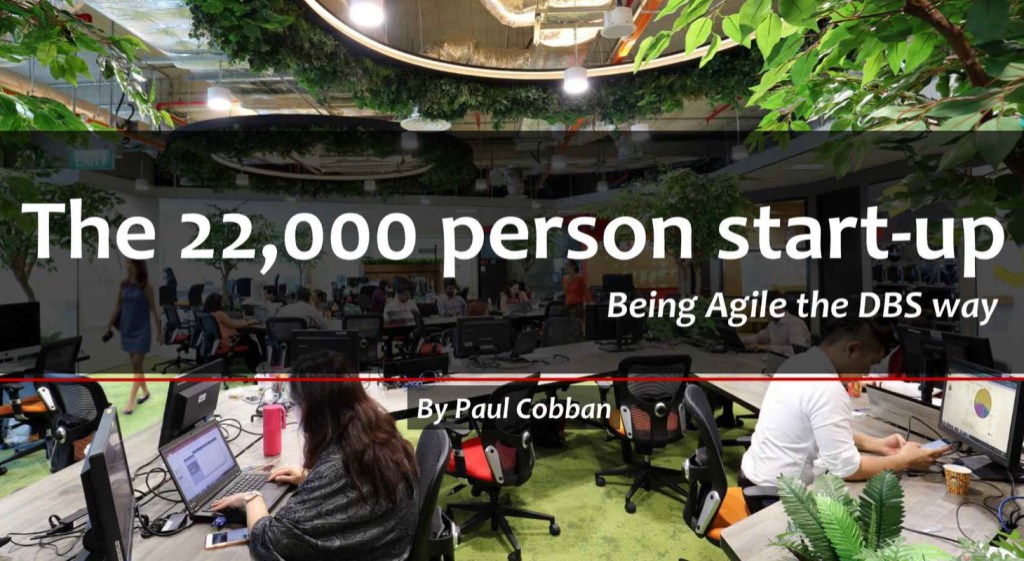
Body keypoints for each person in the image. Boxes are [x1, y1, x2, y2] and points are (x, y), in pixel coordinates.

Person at [211, 351, 418, 561]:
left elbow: (269, 541)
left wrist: (251, 498)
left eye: (295, 404)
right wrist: (310, 476)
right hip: (388, 546)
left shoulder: (338, 463)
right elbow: (357, 485)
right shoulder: (377, 433)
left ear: (312, 409)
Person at [741, 319, 949, 491]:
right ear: (853, 349)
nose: (867, 373)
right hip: (775, 497)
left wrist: (875, 444)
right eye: (871, 363)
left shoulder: (799, 362)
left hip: (755, 478)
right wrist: (904, 461)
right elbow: (847, 469)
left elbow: (819, 429)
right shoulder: (827, 387)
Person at [106, 259, 161, 415]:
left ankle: (130, 402)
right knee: (136, 366)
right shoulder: (123, 285)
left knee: (136, 363)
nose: (127, 265)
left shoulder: (146, 286)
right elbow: (118, 306)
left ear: (138, 266)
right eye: (127, 263)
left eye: (131, 263)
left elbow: (154, 310)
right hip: (127, 330)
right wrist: (109, 324)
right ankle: (145, 391)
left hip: (142, 331)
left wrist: (160, 331)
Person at [203, 293, 264, 371]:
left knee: (249, 340)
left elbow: (230, 322)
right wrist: (249, 322)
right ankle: (258, 368)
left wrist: (244, 321)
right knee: (252, 344)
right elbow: (234, 325)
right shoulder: (219, 314)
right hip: (230, 342)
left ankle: (257, 367)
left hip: (219, 343)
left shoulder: (208, 314)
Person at [744, 291, 812, 355]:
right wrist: (743, 341)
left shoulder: (795, 324)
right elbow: (759, 337)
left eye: (767, 310)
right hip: (778, 359)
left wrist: (768, 347)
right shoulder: (773, 323)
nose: (764, 314)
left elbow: (798, 351)